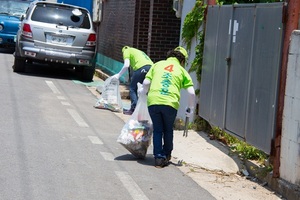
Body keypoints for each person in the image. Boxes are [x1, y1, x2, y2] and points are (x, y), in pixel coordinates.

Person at [139, 46, 195, 168]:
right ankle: (167, 154)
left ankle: (158, 158)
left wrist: (142, 93)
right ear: (182, 61)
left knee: (158, 129)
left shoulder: (157, 65)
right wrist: (190, 109)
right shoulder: (181, 70)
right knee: (168, 129)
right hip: (170, 103)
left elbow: (146, 83)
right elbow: (191, 92)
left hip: (153, 101)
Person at [112, 46, 153, 115]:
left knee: (133, 88)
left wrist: (118, 75)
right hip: (151, 67)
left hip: (141, 67)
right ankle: (146, 111)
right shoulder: (138, 51)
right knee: (146, 89)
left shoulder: (126, 51)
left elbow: (126, 65)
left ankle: (134, 109)